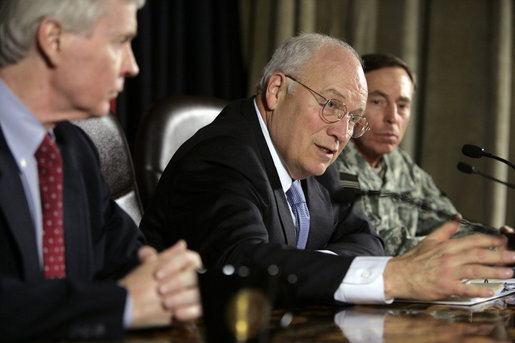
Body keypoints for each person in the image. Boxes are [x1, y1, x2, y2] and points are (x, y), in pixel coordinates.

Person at [140, 33, 515, 307]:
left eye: (353, 119)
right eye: (331, 104)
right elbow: (245, 263)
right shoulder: (221, 157)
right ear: (276, 91)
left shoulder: (313, 158)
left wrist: (324, 266)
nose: (341, 132)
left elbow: (367, 239)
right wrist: (387, 275)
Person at [0, 0, 201, 340]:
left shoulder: (74, 150)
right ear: (54, 39)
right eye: (120, 41)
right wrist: (121, 305)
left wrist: (162, 277)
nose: (132, 66)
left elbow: (123, 253)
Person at [335, 53, 511, 256]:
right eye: (377, 102)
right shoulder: (333, 158)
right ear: (356, 105)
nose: (392, 117)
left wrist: (498, 241)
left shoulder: (401, 164)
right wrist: (461, 250)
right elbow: (370, 241)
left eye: (402, 106)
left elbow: (447, 223)